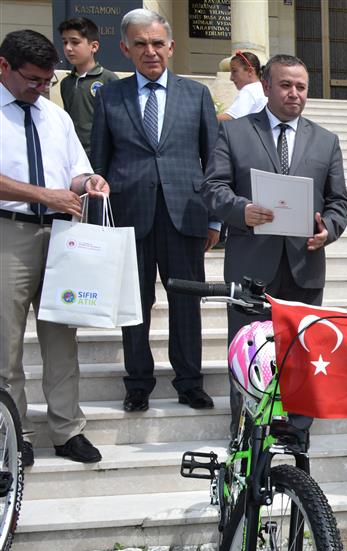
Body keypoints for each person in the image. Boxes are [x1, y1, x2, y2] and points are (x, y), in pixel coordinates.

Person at [202, 54, 347, 450]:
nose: (294, 94)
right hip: (252, 264)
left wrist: (328, 230)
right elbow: (213, 189)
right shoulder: (235, 134)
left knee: (302, 350)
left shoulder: (325, 140)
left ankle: (297, 430)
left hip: (304, 263)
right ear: (266, 87)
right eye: (286, 85)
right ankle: (247, 433)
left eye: (301, 87)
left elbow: (339, 203)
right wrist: (241, 211)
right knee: (249, 349)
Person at [90, 8, 219, 414]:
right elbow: (100, 161)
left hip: (186, 214)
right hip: (130, 215)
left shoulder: (196, 94)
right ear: (125, 48)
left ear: (171, 46)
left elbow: (213, 160)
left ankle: (189, 381)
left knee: (186, 303)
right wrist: (100, 216)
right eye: (141, 44)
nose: (151, 51)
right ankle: (138, 382)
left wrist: (215, 218)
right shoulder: (110, 95)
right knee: (134, 303)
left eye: (158, 43)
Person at [0, 29, 109, 465]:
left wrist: (89, 182)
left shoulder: (55, 116)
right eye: (33, 79)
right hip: (10, 235)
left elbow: (74, 173)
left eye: (47, 80)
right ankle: (12, 433)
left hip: (62, 237)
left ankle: (68, 430)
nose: (41, 88)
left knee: (62, 339)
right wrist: (45, 196)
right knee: (5, 343)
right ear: (3, 67)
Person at [58, 17, 118, 155]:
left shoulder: (108, 79)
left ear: (94, 46)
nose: (68, 48)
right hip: (74, 153)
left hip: (101, 154)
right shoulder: (66, 83)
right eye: (65, 42)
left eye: (75, 42)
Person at [216, 50, 266, 122]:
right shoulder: (261, 89)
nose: (231, 78)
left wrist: (203, 118)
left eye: (234, 71)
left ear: (250, 71)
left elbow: (231, 117)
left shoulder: (250, 90)